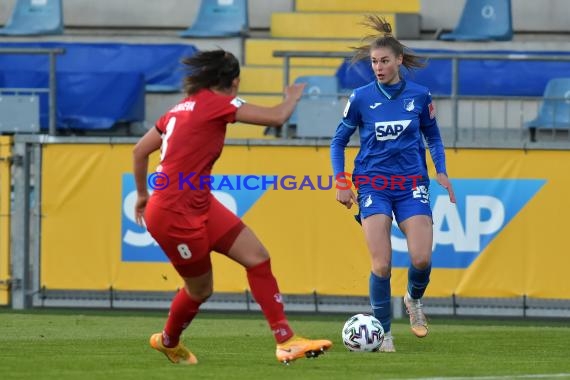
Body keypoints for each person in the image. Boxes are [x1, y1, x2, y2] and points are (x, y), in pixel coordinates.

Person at [133, 49, 332, 365]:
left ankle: (286, 341)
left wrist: (142, 194)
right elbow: (277, 117)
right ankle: (168, 341)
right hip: (174, 214)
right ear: (234, 81)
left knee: (257, 258)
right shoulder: (217, 103)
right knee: (200, 290)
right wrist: (292, 97)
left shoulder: (175, 110)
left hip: (197, 203)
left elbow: (139, 150)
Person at [330, 16, 456, 353]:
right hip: (373, 183)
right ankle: (383, 333)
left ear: (399, 60)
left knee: (421, 260)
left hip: (411, 182)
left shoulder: (419, 95)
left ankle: (414, 299)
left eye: (385, 60)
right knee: (382, 263)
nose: (378, 67)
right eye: (374, 61)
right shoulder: (360, 97)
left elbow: (433, 135)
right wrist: (341, 181)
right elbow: (337, 142)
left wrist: (440, 170)